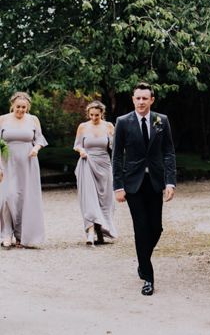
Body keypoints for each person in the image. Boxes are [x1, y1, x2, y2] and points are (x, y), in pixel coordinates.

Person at [112, 82, 176, 295]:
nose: (141, 102)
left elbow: (169, 152)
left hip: (155, 182)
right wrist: (118, 186)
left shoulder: (161, 121)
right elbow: (116, 157)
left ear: (151, 100)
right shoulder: (123, 122)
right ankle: (148, 278)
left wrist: (170, 181)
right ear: (133, 100)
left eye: (145, 98)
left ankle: (142, 261)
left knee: (156, 228)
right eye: (137, 98)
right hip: (133, 184)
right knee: (141, 228)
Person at [0, 92, 47, 248]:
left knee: (25, 199)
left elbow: (39, 139)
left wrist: (36, 148)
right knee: (8, 196)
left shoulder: (33, 120)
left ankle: (21, 235)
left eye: (24, 107)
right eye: (18, 107)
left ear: (28, 107)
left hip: (28, 163)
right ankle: (6, 233)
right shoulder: (3, 119)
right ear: (12, 105)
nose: (20, 110)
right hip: (6, 163)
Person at [73, 100, 117, 246]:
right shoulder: (83, 127)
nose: (93, 118)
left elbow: (114, 147)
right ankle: (90, 231)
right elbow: (77, 145)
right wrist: (82, 151)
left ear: (101, 114)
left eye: (96, 115)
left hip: (104, 164)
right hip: (87, 163)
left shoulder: (109, 126)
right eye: (91, 115)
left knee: (105, 199)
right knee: (89, 198)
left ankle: (101, 232)